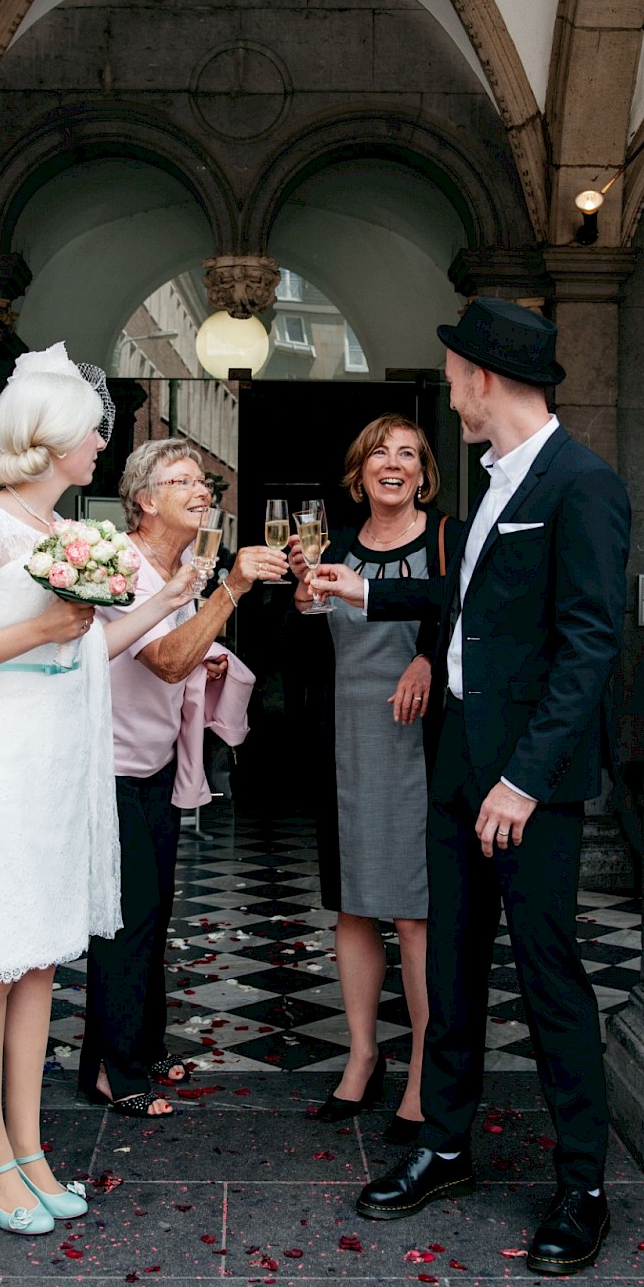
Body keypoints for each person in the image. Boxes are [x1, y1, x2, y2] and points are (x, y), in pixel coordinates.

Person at [320, 298, 630, 1275]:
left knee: (548, 982)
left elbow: (588, 648)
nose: (447, 388)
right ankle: (445, 1146)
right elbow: (462, 604)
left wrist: (525, 781)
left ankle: (580, 1187)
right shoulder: (495, 483)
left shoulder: (582, 484)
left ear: (484, 378)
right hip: (455, 769)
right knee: (449, 969)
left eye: (453, 373)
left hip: (525, 789)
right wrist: (365, 590)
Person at [0, 343, 197, 1231]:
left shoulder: (63, 535)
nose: (104, 442)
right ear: (55, 438)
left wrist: (160, 601)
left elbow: (84, 650)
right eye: (92, 431)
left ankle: (29, 1147)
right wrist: (37, 632)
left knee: (36, 962)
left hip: (51, 768)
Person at [77, 439, 285, 1116]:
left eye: (205, 482)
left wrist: (211, 652)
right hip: (106, 768)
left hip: (154, 764)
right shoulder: (118, 565)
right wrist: (232, 591)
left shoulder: (185, 569)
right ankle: (111, 1069)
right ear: (143, 499)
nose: (202, 492)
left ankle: (138, 1043)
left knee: (154, 909)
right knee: (125, 917)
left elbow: (183, 653)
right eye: (183, 481)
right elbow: (164, 660)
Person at [288, 415, 461, 1140]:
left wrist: (427, 657)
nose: (394, 464)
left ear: (424, 474)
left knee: (415, 915)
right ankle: (362, 1057)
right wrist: (300, 602)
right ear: (358, 474)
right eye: (379, 454)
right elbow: (304, 640)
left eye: (409, 455)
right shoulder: (333, 548)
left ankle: (424, 1067)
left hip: (419, 742)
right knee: (353, 907)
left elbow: (466, 611)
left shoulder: (447, 538)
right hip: (346, 741)